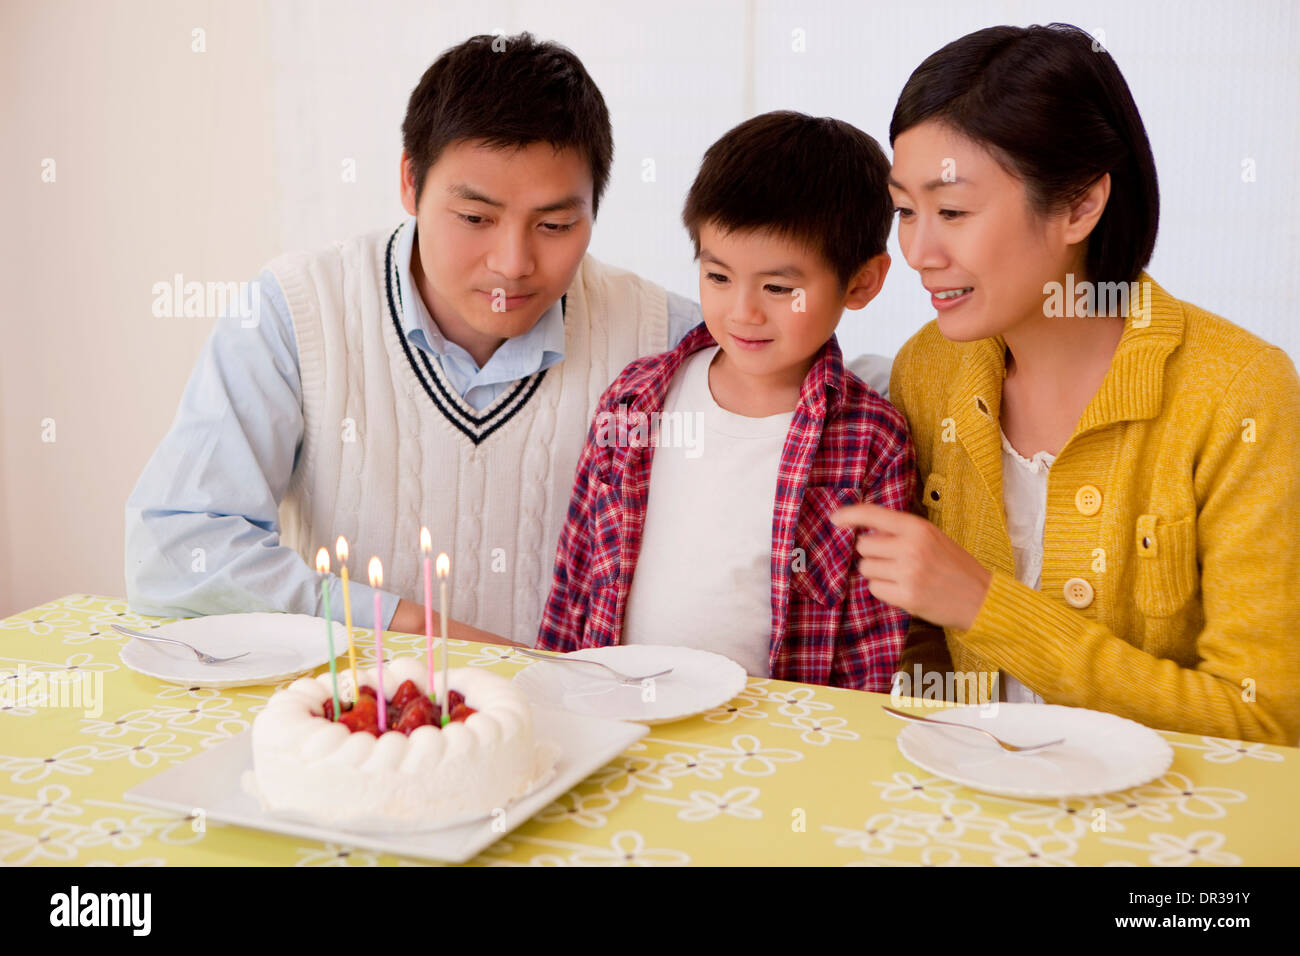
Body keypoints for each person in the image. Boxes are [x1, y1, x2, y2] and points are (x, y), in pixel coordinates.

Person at [124, 33, 702, 645]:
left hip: (579, 703)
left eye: (555, 225)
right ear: (410, 180)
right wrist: (416, 629)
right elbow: (173, 551)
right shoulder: (297, 310)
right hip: (354, 700)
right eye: (475, 218)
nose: (513, 263)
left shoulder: (664, 338)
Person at [831, 24, 1300, 743]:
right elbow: (919, 649)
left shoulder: (1242, 393)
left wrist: (990, 607)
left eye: (952, 211)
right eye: (905, 211)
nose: (918, 251)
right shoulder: (928, 369)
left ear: (1080, 206)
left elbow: (1266, 721)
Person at [537, 112, 915, 689]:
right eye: (718, 277)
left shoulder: (872, 440)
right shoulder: (634, 401)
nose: (743, 312)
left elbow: (873, 641)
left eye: (778, 288)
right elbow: (576, 577)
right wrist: (553, 692)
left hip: (775, 730)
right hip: (619, 709)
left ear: (861, 282)